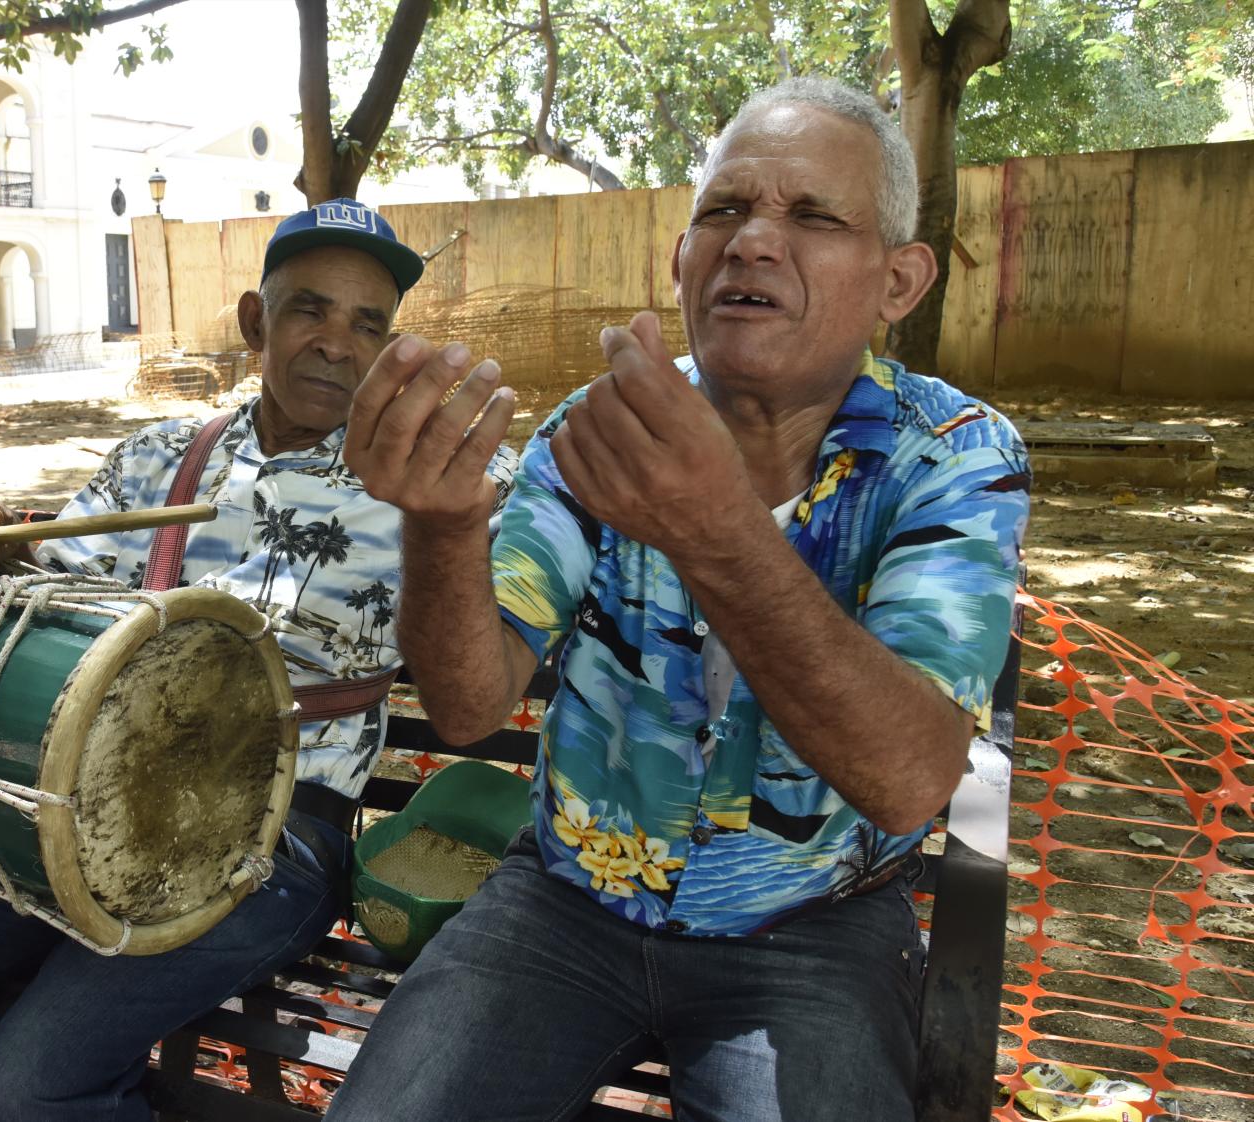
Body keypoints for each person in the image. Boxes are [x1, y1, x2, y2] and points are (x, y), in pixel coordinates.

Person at [330, 78, 1030, 1122]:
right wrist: (439, 527)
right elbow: (472, 706)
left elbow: (905, 781)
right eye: (723, 210)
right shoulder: (594, 428)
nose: (751, 241)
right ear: (678, 260)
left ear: (897, 280)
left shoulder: (955, 457)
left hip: (809, 927)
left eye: (810, 217)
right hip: (563, 905)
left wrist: (717, 531)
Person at [0, 199, 519, 1122]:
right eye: (309, 310)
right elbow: (43, 584)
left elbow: (484, 662)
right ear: (256, 322)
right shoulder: (160, 458)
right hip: (82, 792)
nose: (337, 345)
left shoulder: (436, 489)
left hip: (277, 832)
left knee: (35, 1078)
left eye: (368, 325)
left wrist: (446, 519)